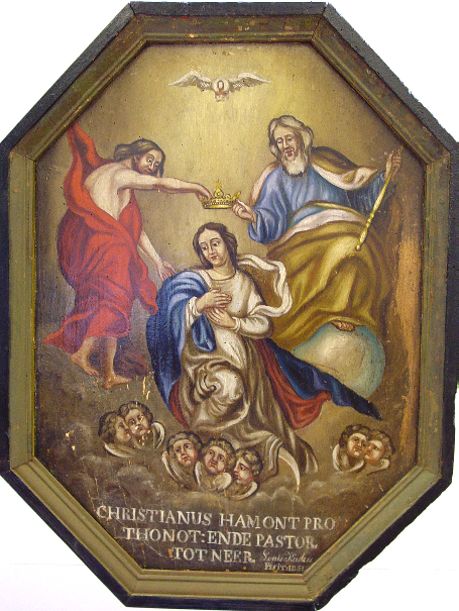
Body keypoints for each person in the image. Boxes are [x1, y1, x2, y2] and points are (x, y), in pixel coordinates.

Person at [147, 222, 381, 488]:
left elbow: (263, 323)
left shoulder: (243, 283)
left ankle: (242, 448)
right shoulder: (196, 280)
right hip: (203, 364)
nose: (210, 251)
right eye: (204, 247)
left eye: (215, 243)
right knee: (229, 388)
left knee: (246, 400)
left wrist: (234, 323)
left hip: (242, 362)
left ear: (227, 244)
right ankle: (207, 433)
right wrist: (200, 303)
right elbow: (169, 314)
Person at [44, 124, 211, 389]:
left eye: (156, 164)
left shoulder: (116, 178)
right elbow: (159, 183)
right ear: (136, 154)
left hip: (102, 245)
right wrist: (196, 187)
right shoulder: (120, 174)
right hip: (107, 246)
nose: (152, 167)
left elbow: (134, 230)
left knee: (116, 301)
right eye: (150, 159)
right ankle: (82, 353)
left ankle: (108, 373)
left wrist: (157, 261)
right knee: (113, 301)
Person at [231, 114, 401, 362]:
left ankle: (346, 311)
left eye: (289, 138)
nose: (285, 146)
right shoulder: (276, 179)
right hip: (298, 247)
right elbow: (271, 223)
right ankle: (321, 319)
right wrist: (254, 217)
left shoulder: (328, 162)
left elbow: (361, 199)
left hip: (346, 229)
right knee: (343, 246)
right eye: (279, 142)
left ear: (301, 139)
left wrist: (386, 177)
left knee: (352, 247)